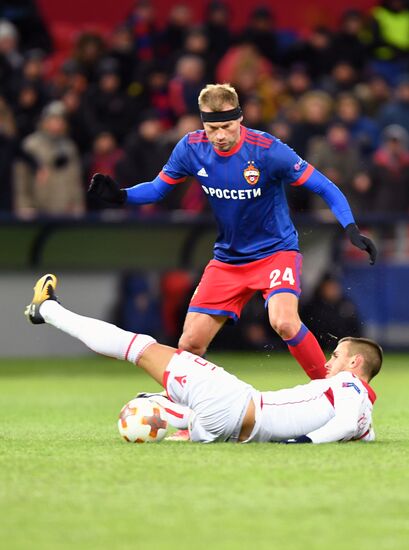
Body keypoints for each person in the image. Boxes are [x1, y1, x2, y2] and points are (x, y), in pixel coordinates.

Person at [88, 83, 377, 383]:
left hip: (275, 253)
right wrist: (121, 196)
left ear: (240, 119)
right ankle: (189, 418)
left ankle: (330, 394)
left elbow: (324, 186)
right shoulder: (190, 148)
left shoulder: (267, 150)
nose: (220, 135)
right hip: (228, 260)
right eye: (212, 128)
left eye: (227, 126)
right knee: (189, 344)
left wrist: (351, 228)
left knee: (285, 323)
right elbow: (158, 188)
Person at [25, 274, 382, 444]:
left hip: (234, 403)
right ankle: (158, 407)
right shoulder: (366, 413)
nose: (329, 364)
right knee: (168, 399)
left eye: (336, 357)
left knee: (141, 347)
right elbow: (361, 430)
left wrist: (304, 443)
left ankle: (49, 311)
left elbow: (348, 423)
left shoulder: (349, 386)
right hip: (232, 431)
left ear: (354, 366)